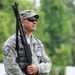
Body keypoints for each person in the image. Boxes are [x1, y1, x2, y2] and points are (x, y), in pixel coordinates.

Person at [2, 10, 52, 75]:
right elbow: (10, 67)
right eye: (31, 19)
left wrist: (37, 68)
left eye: (36, 20)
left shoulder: (38, 43)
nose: (35, 22)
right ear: (22, 21)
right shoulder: (12, 42)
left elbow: (48, 63)